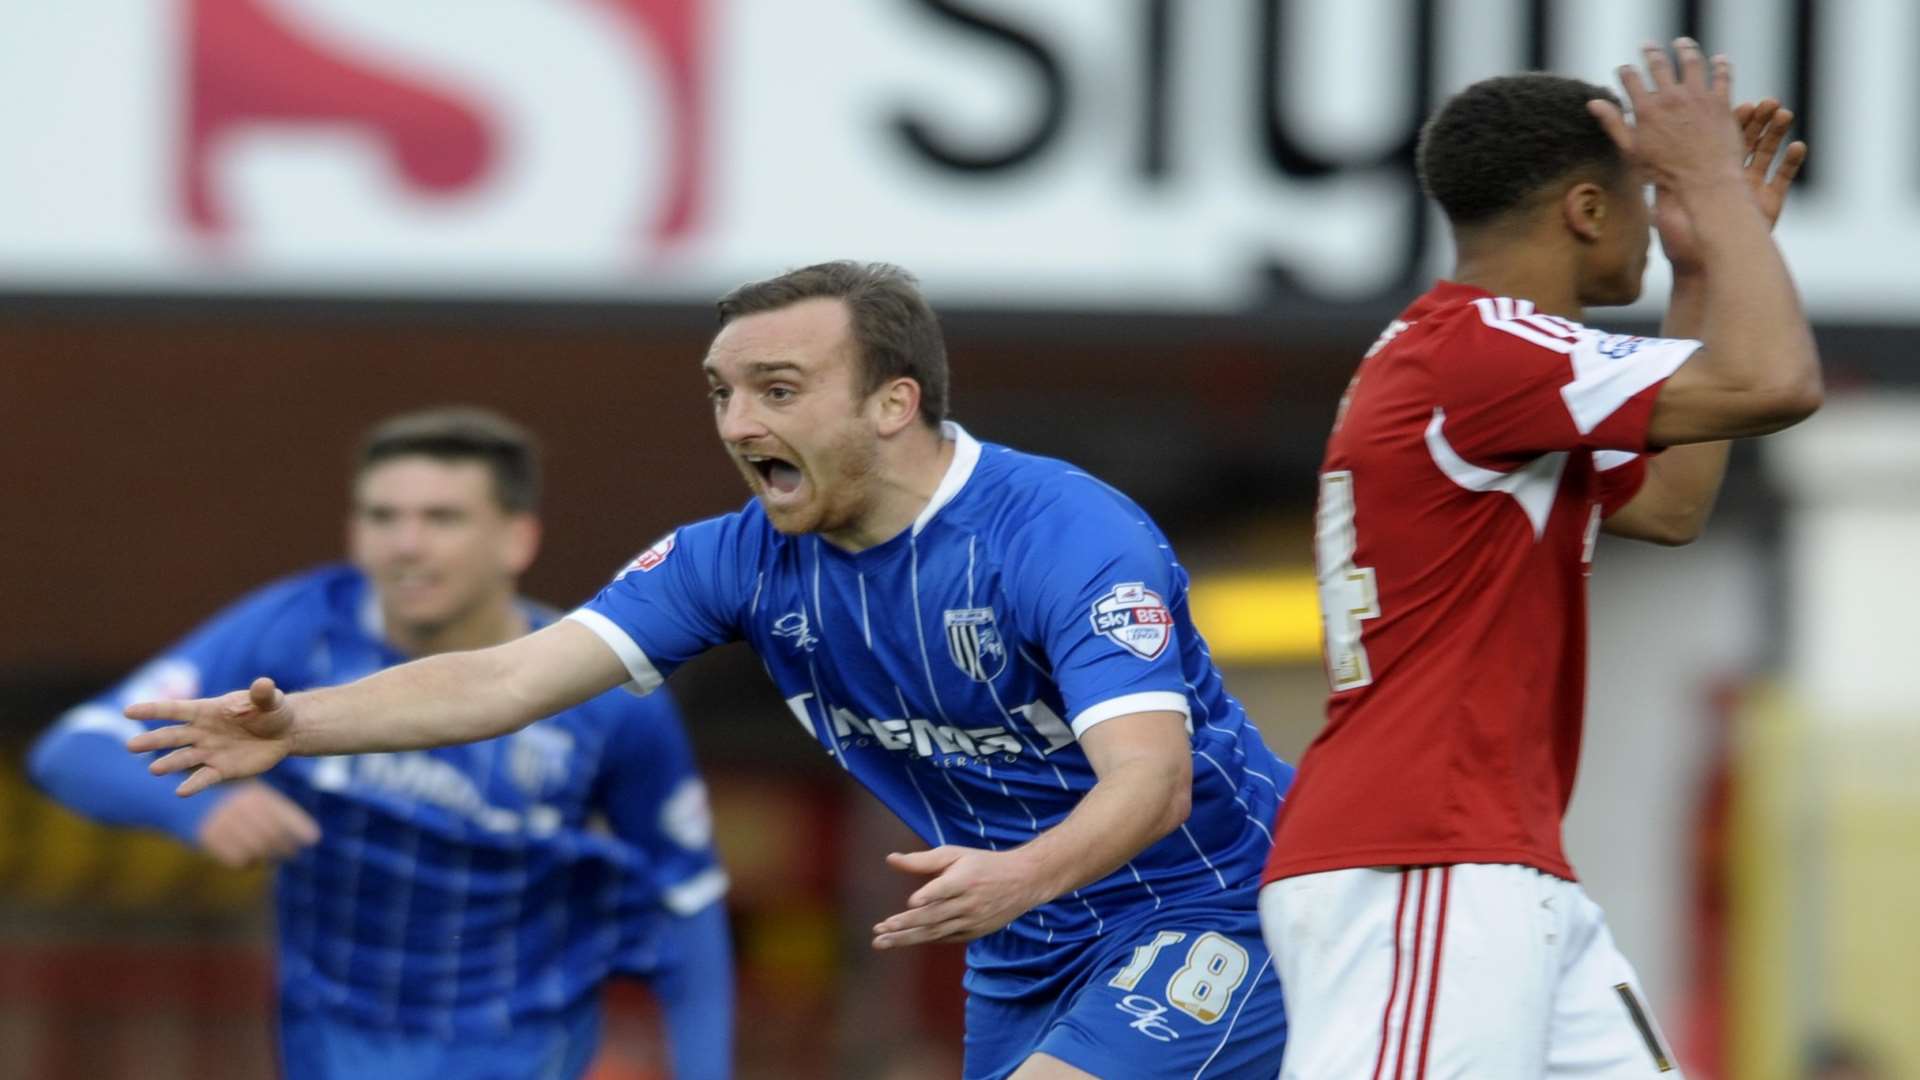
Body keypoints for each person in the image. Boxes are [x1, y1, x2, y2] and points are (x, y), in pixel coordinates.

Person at [125, 262, 1294, 1078]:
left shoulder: (1066, 535)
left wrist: (1016, 877)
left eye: (777, 392)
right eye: (722, 394)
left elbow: (1154, 786)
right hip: (1025, 938)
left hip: (1215, 901)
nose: (737, 424)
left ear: (894, 404)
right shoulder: (731, 558)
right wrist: (297, 727)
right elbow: (505, 679)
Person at [1256, 42, 1819, 1078]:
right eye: (1646, 197)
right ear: (1587, 211)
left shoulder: (1487, 363)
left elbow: (1672, 503)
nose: (1658, 221)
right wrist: (1714, 191)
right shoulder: (1492, 351)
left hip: (1494, 862)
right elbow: (1777, 380)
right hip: (1422, 855)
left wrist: (1701, 265)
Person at [35, 408, 734, 1080]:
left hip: (520, 1044)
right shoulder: (296, 633)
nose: (406, 543)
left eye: (443, 518)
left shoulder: (603, 689)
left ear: (517, 539)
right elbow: (74, 747)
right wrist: (201, 811)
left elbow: (688, 897)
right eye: (382, 517)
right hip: (333, 1037)